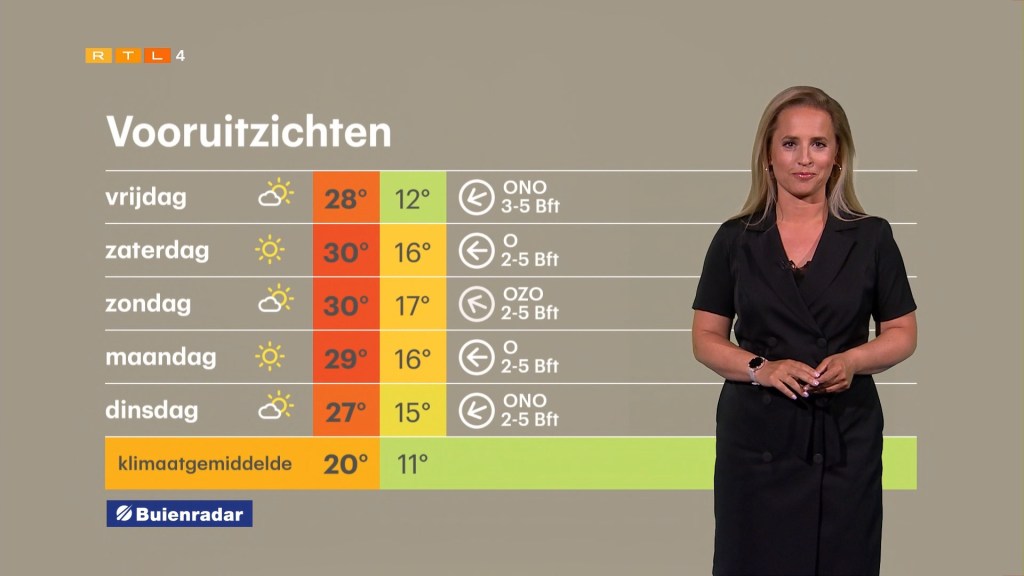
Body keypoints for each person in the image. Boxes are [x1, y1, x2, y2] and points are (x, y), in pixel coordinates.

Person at [691, 86, 918, 576]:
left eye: (819, 144)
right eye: (790, 143)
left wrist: (853, 361)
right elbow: (705, 338)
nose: (805, 158)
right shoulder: (735, 239)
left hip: (844, 437)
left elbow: (902, 331)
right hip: (757, 440)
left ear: (837, 157)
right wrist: (762, 368)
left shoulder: (872, 237)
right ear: (768, 154)